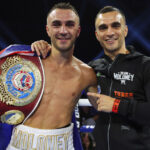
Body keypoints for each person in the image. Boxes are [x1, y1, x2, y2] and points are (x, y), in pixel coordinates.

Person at [33, 5, 150, 150]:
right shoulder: (91, 69)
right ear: (97, 34)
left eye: (115, 26)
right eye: (103, 28)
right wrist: (44, 48)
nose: (109, 32)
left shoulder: (145, 65)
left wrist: (116, 105)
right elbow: (62, 67)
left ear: (125, 30)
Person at [5, 2, 97, 150]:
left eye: (69, 24)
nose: (63, 30)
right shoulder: (29, 61)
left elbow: (101, 105)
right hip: (20, 142)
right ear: (47, 30)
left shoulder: (87, 73)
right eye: (56, 24)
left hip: (61, 144)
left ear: (78, 30)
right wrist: (29, 49)